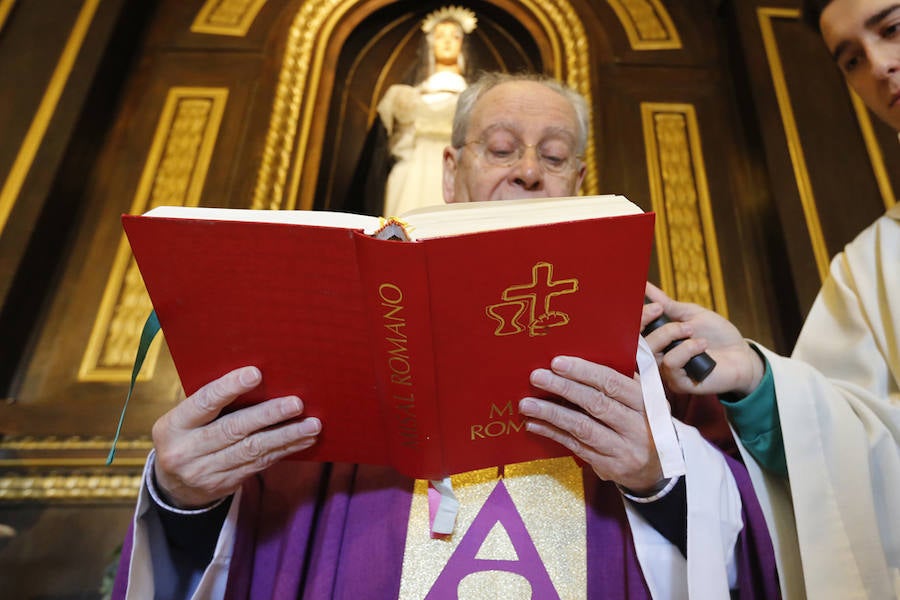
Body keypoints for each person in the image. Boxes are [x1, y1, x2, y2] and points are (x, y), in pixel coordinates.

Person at [112, 73, 779, 599]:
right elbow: (242, 550)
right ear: (450, 172)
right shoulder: (342, 340)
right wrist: (182, 498)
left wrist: (654, 482)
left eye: (554, 155)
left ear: (579, 182)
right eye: (500, 149)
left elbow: (750, 546)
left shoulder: (652, 352)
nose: (527, 171)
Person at [641, 0, 900, 596]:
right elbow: (863, 470)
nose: (880, 67)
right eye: (852, 60)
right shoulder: (867, 269)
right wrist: (757, 380)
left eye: (892, 29)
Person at [377, 6, 474, 217]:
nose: (447, 42)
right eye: (440, 36)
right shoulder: (404, 97)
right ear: (431, 44)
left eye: (454, 37)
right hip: (412, 173)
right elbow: (385, 149)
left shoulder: (476, 99)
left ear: (462, 44)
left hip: (456, 174)